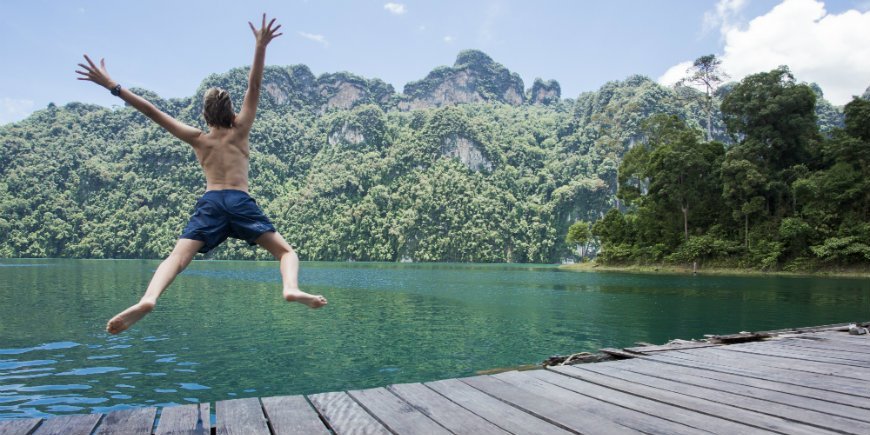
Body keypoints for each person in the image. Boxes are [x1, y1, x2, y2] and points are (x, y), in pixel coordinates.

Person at [76, 14, 327, 335]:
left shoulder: (197, 138)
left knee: (178, 259)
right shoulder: (241, 130)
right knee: (286, 252)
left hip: (211, 201)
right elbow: (255, 85)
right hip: (240, 200)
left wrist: (113, 86)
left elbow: (151, 111)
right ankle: (290, 288)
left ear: (205, 114)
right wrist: (261, 46)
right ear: (231, 111)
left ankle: (149, 298)